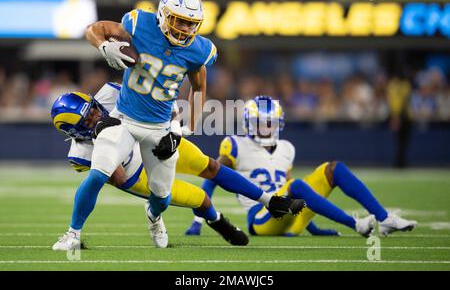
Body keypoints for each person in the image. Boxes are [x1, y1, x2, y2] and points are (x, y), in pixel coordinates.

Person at [56, 0, 218, 249]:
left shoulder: (199, 50)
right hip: (124, 119)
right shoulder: (140, 23)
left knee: (162, 197)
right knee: (98, 173)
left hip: (160, 128)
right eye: (180, 21)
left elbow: (199, 88)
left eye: (191, 24)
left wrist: (188, 125)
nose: (186, 30)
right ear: (164, 15)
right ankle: (73, 234)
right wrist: (103, 45)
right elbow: (93, 28)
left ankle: (154, 216)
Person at [51, 84, 305, 250]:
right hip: (135, 172)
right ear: (75, 131)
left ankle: (269, 200)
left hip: (154, 139)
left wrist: (173, 130)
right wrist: (105, 139)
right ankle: (163, 216)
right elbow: (117, 176)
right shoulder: (80, 153)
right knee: (201, 199)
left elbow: (160, 101)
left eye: (94, 109)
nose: (97, 115)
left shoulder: (111, 92)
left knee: (210, 166)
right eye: (89, 119)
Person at [186, 95, 418, 237]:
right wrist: (199, 220)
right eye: (261, 123)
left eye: (270, 123)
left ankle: (384, 218)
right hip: (260, 220)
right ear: (249, 123)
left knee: (333, 169)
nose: (266, 128)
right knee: (294, 185)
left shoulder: (287, 148)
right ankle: (355, 224)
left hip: (289, 219)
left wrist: (310, 226)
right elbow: (212, 176)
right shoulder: (235, 144)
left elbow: (295, 196)